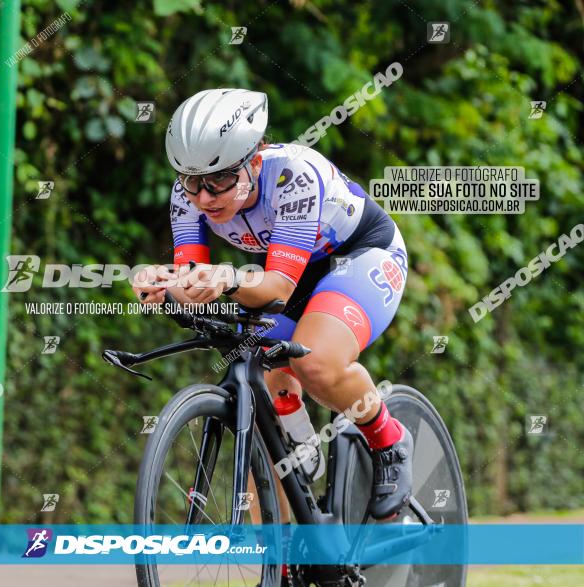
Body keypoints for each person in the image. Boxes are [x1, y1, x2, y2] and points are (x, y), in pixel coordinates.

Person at [132, 88, 414, 525]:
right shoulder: (186, 195)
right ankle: (281, 554)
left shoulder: (292, 175)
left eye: (220, 179)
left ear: (255, 160)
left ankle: (389, 439)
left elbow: (278, 286)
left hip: (358, 256)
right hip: (282, 272)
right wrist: (164, 283)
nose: (205, 197)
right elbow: (193, 279)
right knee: (259, 407)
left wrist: (228, 279)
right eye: (192, 181)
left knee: (315, 360)